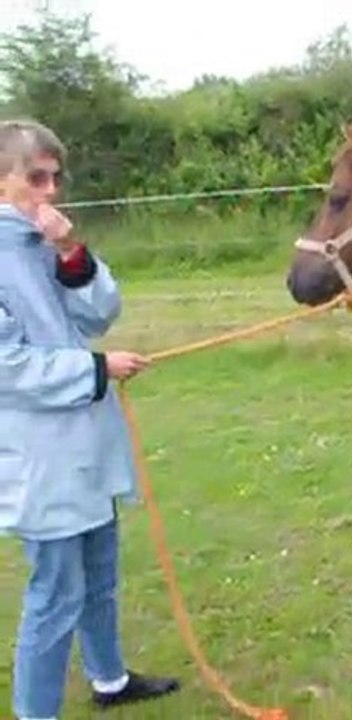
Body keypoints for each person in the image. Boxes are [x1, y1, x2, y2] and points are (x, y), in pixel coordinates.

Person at [0, 119, 180, 719]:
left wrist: (70, 253)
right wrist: (96, 371)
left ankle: (109, 679)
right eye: (37, 178)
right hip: (39, 456)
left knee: (100, 572)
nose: (51, 190)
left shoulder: (41, 244)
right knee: (55, 593)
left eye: (56, 177)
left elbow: (100, 312)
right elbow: (7, 366)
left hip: (86, 445)